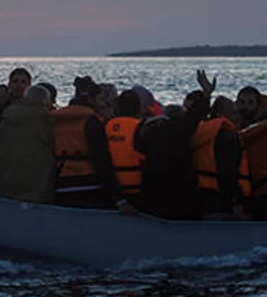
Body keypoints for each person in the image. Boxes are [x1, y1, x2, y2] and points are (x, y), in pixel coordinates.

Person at [135, 86, 208, 220]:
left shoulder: (147, 133)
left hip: (152, 195)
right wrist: (206, 94)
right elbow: (194, 116)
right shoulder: (180, 132)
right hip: (180, 195)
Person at [51, 76, 123, 209]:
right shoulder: (92, 122)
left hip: (61, 184)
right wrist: (119, 199)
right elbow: (102, 161)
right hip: (90, 185)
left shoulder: (55, 119)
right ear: (93, 98)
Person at [193, 74, 248, 219]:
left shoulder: (200, 131)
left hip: (199, 195)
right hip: (220, 201)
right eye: (234, 112)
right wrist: (237, 203)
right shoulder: (228, 137)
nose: (238, 115)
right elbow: (228, 173)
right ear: (223, 115)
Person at [0, 84, 55, 203]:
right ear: (47, 102)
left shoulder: (7, 118)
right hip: (37, 186)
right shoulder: (46, 121)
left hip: (7, 181)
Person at [105, 89, 145, 204]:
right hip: (137, 186)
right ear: (138, 107)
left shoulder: (106, 125)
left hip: (112, 186)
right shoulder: (140, 126)